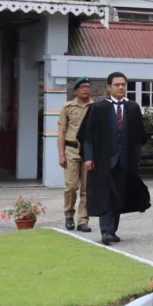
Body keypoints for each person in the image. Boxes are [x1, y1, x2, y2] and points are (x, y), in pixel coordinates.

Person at [78, 72, 150, 245]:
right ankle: (106, 231)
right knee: (105, 195)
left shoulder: (132, 107)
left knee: (118, 196)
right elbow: (88, 136)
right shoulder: (98, 108)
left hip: (125, 161)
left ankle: (112, 230)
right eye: (117, 85)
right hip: (103, 161)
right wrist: (88, 157)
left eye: (123, 85)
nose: (120, 88)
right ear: (109, 87)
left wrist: (136, 157)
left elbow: (139, 136)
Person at [58, 76, 92, 232]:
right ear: (77, 90)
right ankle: (69, 215)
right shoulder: (67, 107)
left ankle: (83, 220)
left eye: (88, 86)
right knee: (71, 186)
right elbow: (61, 132)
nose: (86, 89)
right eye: (83, 87)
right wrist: (61, 154)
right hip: (71, 149)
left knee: (87, 187)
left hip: (89, 151)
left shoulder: (95, 107)